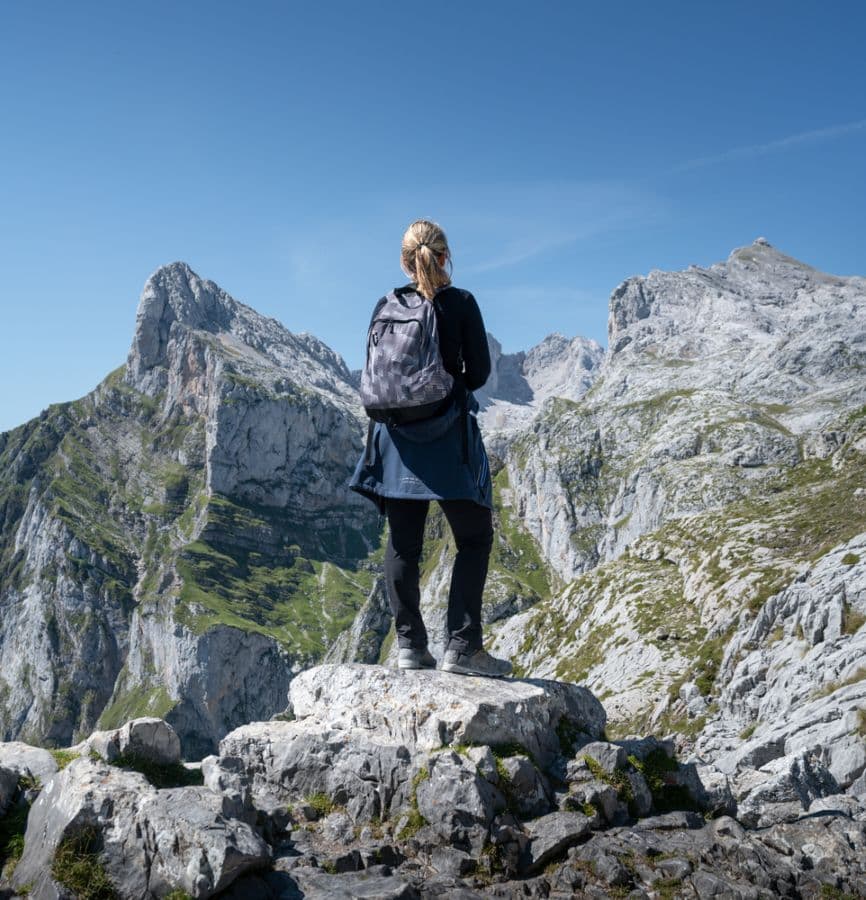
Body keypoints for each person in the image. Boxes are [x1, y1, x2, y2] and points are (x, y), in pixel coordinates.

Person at [348, 219, 513, 678]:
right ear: (445, 257)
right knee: (474, 537)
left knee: (403, 544)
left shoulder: (388, 304)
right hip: (446, 439)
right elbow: (478, 373)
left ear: (405, 260)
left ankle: (409, 646)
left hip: (394, 439)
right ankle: (463, 649)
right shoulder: (460, 303)